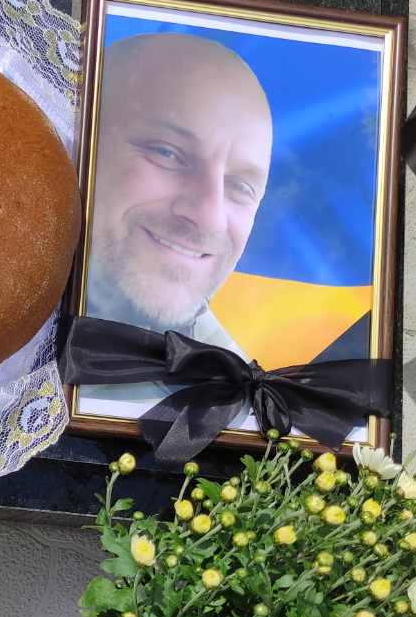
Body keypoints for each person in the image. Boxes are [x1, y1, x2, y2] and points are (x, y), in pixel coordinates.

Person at [83, 32, 273, 371]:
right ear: (83, 138)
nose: (210, 217)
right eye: (166, 152)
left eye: (240, 186)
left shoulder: (252, 392)